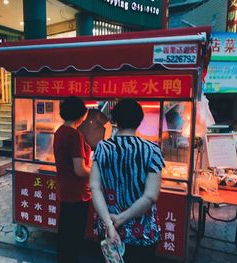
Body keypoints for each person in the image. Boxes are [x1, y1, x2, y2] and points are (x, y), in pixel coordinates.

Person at [90, 99, 165, 263]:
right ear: (140, 121)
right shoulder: (152, 150)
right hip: (142, 231)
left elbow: (95, 188)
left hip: (109, 230)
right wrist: (123, 218)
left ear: (115, 120)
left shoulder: (102, 147)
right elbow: (150, 196)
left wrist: (110, 224)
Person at [53, 96, 92, 263]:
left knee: (65, 233)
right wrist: (96, 171)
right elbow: (80, 170)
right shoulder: (74, 135)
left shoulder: (60, 131)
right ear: (81, 114)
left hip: (65, 190)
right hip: (77, 193)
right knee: (74, 236)